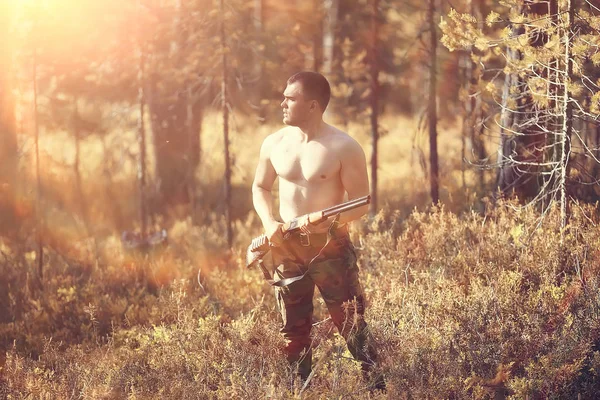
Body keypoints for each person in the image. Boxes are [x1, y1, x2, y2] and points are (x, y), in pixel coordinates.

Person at [252, 71, 385, 391]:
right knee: (292, 331)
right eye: (284, 96)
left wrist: (330, 222)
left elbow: (361, 204)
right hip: (285, 245)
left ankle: (380, 388)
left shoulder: (344, 146)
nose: (282, 102)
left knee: (351, 325)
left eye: (291, 98)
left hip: (330, 247)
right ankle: (299, 390)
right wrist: (270, 224)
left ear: (313, 105)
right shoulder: (274, 142)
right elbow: (260, 187)